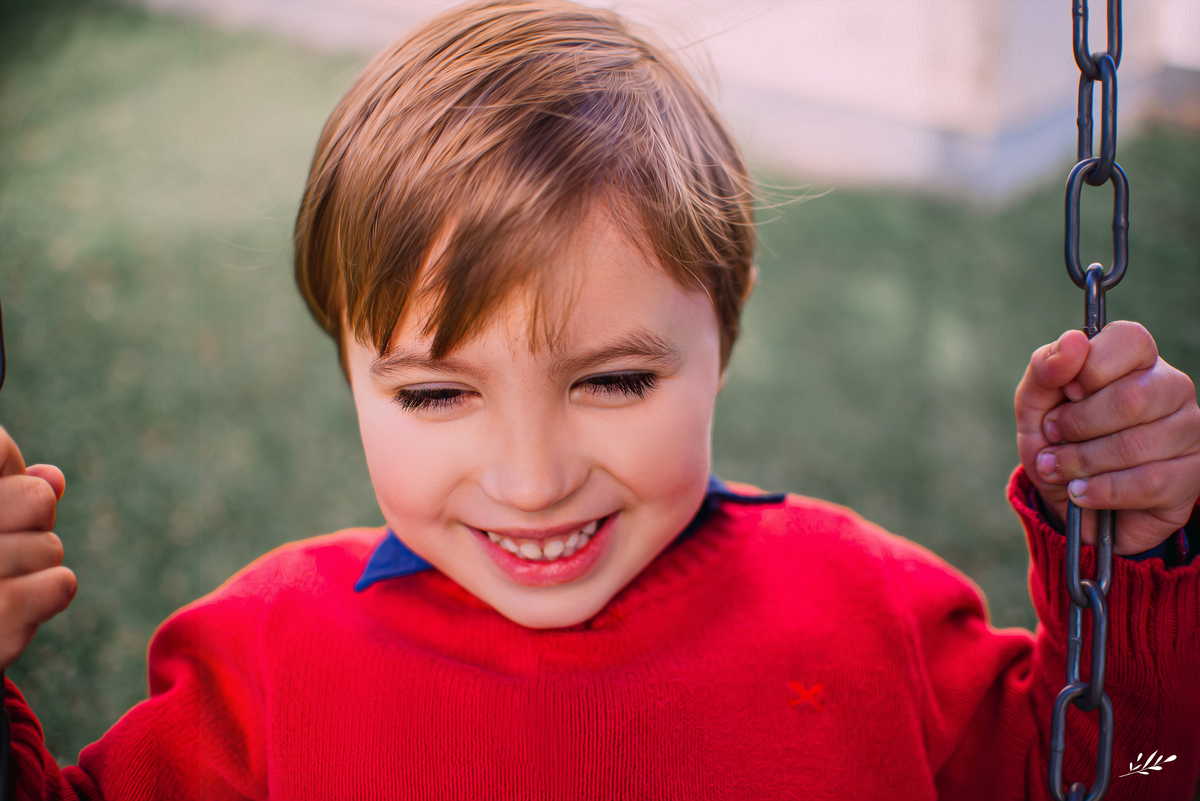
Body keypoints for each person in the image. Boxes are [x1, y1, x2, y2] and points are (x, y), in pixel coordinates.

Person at [0, 1, 1198, 798]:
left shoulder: (866, 611)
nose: (531, 481)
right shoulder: (260, 665)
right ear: (348, 371)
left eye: (614, 380)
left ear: (720, 340)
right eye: (434, 393)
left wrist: (1138, 564)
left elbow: (1140, 771)